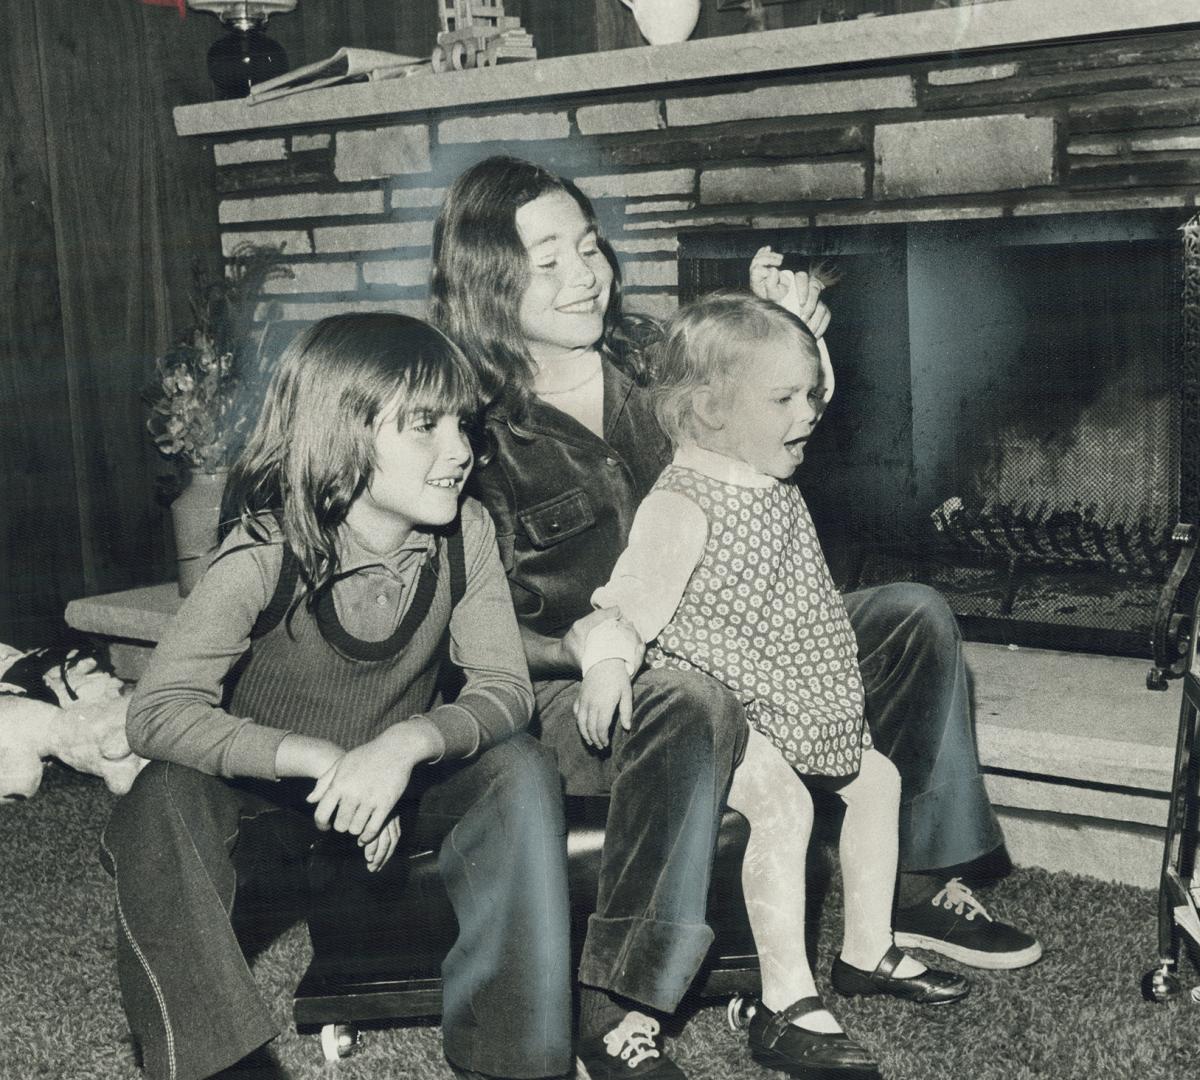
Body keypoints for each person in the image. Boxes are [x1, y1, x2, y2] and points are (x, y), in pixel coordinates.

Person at [430, 155, 1040, 1080]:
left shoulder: (650, 354)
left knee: (911, 614)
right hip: (591, 687)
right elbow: (463, 624)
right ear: (488, 282)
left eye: (588, 247)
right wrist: (589, 647)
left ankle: (908, 889)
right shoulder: (469, 430)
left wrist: (785, 332)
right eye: (546, 260)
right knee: (690, 697)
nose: (583, 275)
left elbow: (764, 394)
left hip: (738, 631)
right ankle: (620, 1008)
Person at [100, 313, 572, 1080]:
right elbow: (155, 712)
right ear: (342, 436)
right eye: (425, 426)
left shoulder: (467, 534)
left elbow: (503, 690)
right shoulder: (262, 552)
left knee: (520, 768)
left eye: (463, 424)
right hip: (271, 810)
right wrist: (322, 761)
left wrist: (404, 745)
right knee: (159, 803)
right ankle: (219, 1067)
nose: (460, 451)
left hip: (404, 796)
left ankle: (515, 1060)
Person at [577, 291, 971, 1080]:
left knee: (878, 781)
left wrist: (801, 336)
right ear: (711, 411)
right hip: (731, 707)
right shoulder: (683, 503)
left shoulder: (763, 468)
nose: (810, 413)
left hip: (794, 690)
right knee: (785, 805)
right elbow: (624, 603)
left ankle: (866, 951)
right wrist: (610, 665)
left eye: (810, 397)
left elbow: (806, 380)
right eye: (786, 399)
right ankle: (786, 1000)